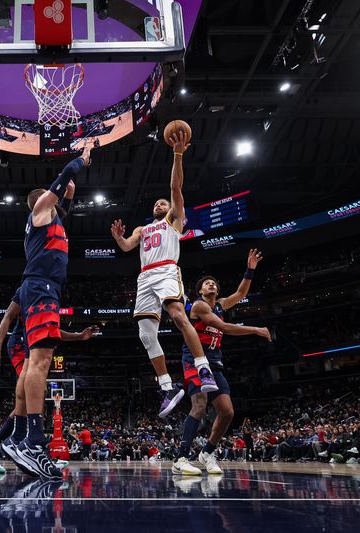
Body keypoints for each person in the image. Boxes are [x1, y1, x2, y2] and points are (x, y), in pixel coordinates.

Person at [110, 132, 218, 418]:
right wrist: (119, 238)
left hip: (167, 270)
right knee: (146, 334)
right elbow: (126, 247)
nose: (159, 204)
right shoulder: (142, 229)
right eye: (156, 204)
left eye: (163, 203)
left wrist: (178, 154)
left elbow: (175, 187)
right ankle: (167, 387)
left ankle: (202, 367)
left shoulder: (173, 221)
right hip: (144, 278)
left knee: (180, 316)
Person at [4, 146, 91, 479]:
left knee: (33, 362)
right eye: (56, 198)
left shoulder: (52, 220)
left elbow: (66, 199)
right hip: (40, 288)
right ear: (45, 200)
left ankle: (21, 439)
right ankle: (33, 441)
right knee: (39, 362)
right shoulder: (40, 209)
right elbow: (64, 178)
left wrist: (70, 193)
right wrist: (81, 160)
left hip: (43, 289)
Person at [172, 249, 271, 475]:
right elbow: (224, 327)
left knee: (227, 412)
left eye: (213, 283)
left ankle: (207, 452)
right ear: (199, 290)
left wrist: (250, 269)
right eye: (206, 283)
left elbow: (240, 292)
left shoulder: (221, 304)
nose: (211, 285)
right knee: (199, 405)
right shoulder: (199, 306)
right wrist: (256, 329)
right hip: (195, 361)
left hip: (215, 364)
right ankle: (180, 458)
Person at [0, 282, 97, 469]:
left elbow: (54, 332)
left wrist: (79, 336)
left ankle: (6, 443)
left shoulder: (50, 293)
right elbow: (7, 317)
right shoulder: (29, 287)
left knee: (34, 394)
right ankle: (9, 442)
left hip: (28, 342)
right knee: (32, 390)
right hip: (19, 343)